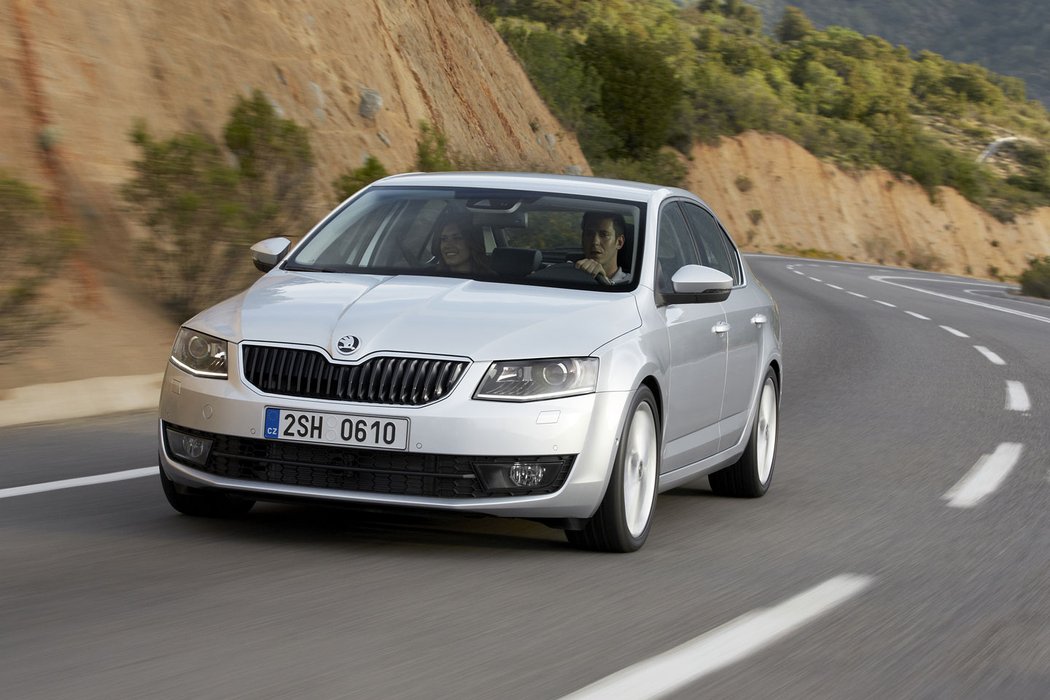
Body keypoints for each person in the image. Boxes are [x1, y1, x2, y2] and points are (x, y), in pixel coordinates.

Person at [575, 211, 629, 284]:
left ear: (619, 242)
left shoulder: (633, 285)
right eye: (589, 234)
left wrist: (604, 281)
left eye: (604, 235)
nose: (595, 242)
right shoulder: (569, 278)